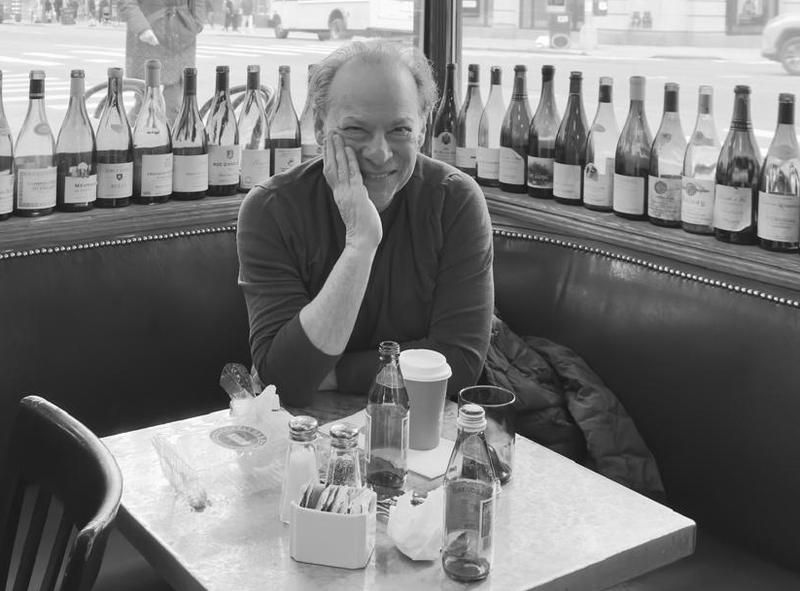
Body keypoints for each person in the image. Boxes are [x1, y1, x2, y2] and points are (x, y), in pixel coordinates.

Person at [236, 40, 494, 407]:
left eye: (399, 130)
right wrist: (361, 243)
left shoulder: (454, 200)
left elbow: (459, 360)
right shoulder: (271, 209)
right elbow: (286, 380)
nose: (380, 152)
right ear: (320, 127)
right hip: (301, 430)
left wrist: (334, 374)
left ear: (422, 129)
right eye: (356, 129)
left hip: (418, 424)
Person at [119, 0, 205, 122]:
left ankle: (172, 132)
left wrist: (197, 22)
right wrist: (141, 28)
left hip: (182, 33)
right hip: (148, 36)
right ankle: (133, 131)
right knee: (145, 103)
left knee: (175, 105)